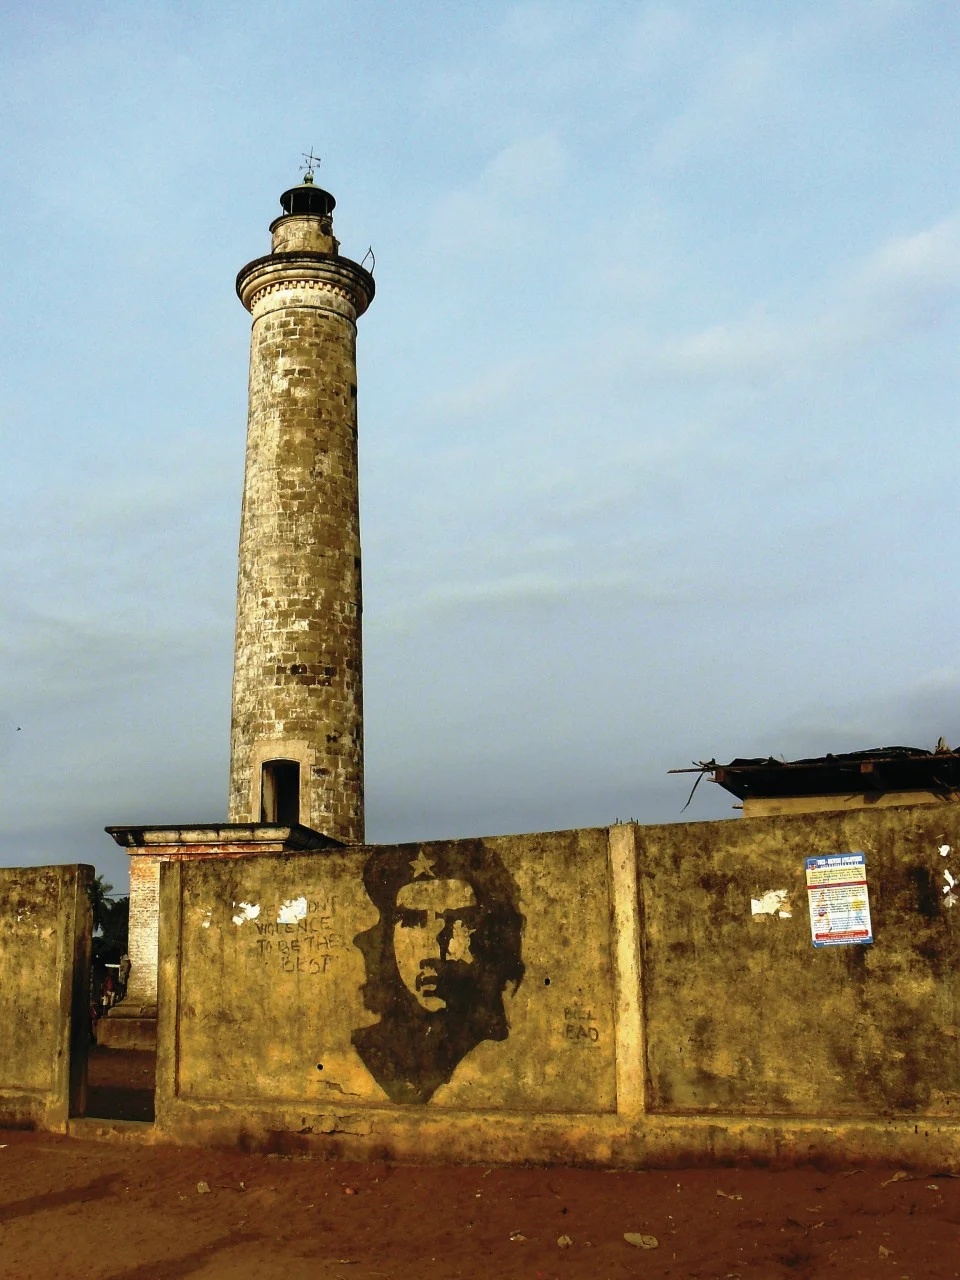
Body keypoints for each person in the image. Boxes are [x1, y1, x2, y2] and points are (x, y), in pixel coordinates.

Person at [351, 840, 525, 1103]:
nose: (435, 947)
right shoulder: (370, 1048)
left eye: (460, 921)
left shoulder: (497, 1051)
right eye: (413, 920)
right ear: (387, 937)